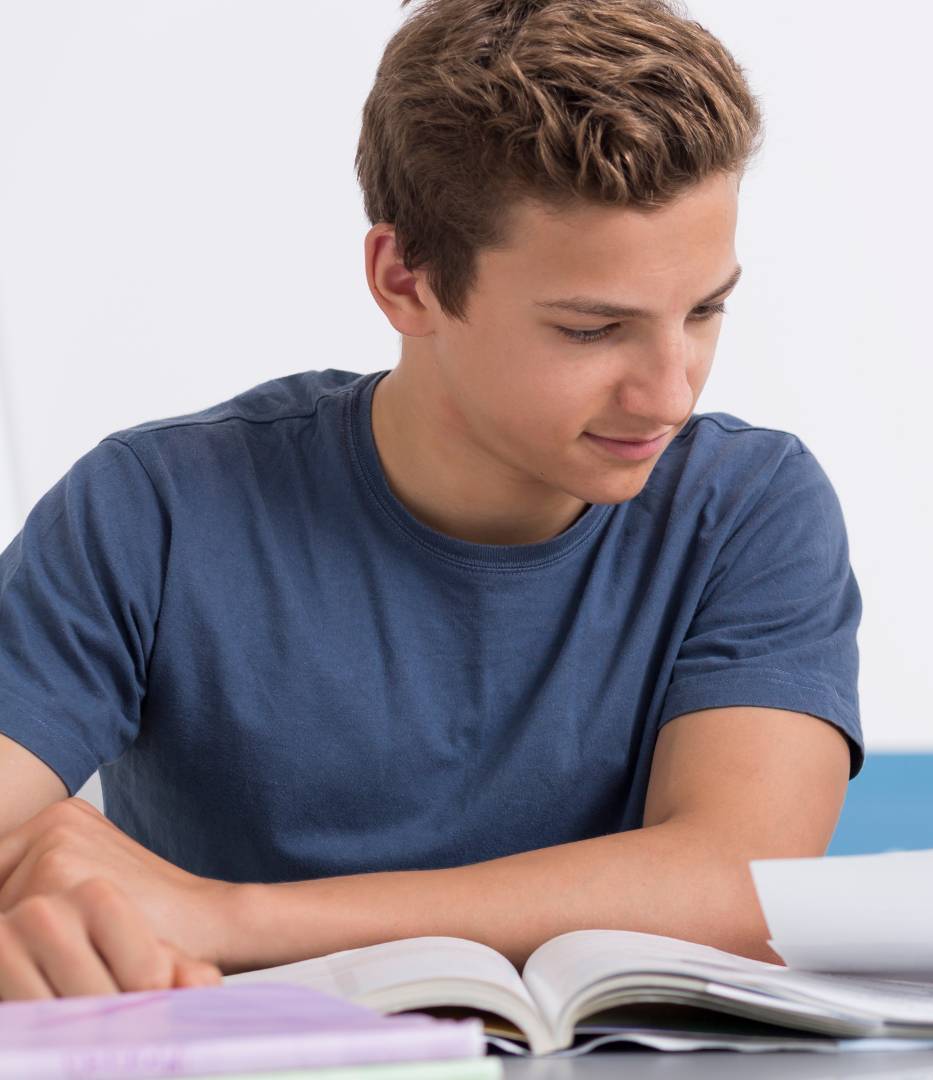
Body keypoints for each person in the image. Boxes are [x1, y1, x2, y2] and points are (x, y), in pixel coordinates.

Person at [0, 0, 861, 1000]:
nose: (670, 392)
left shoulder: (751, 508)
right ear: (404, 280)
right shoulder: (149, 510)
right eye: (591, 330)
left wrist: (222, 917)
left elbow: (742, 888)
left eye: (705, 310)